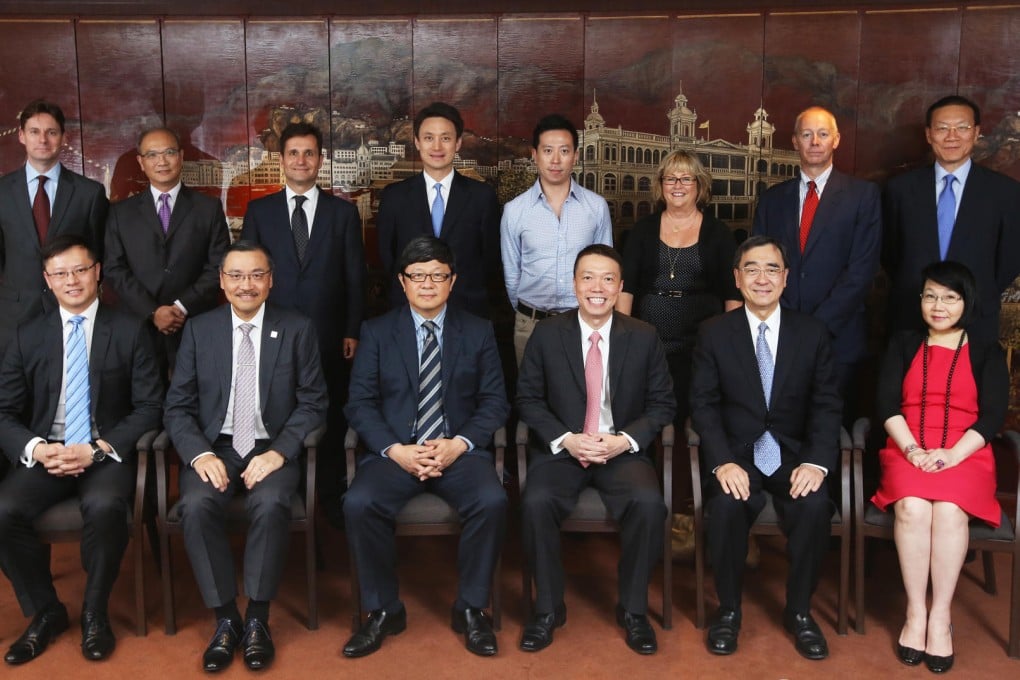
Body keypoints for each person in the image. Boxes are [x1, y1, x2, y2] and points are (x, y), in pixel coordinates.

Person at [163, 241, 327, 673]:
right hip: (215, 446)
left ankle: (257, 617)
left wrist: (278, 452)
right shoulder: (200, 330)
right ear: (221, 282)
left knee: (271, 503)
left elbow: (313, 403)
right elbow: (176, 406)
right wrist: (198, 454)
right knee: (195, 504)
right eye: (235, 276)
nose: (246, 285)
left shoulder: (297, 328)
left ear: (271, 281)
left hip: (269, 446)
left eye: (256, 275)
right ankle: (225, 619)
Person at [342, 236, 509, 659]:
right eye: (419, 276)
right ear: (402, 281)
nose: (428, 284)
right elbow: (359, 404)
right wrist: (394, 450)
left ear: (453, 282)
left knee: (491, 500)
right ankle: (382, 610)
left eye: (438, 275)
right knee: (359, 503)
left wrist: (460, 443)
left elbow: (494, 402)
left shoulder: (478, 330)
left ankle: (471, 609)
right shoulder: (377, 332)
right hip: (398, 452)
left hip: (457, 451)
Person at [0, 235, 162, 665]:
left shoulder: (130, 329)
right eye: (60, 273)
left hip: (102, 451)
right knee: (2, 510)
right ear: (47, 280)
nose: (71, 280)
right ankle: (45, 610)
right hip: (48, 454)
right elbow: (3, 410)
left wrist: (100, 447)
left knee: (107, 506)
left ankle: (94, 611)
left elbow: (151, 406)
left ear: (97, 272)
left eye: (79, 270)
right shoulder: (27, 334)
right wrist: (35, 448)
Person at [516, 244, 674, 655]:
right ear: (574, 284)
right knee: (535, 502)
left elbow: (663, 404)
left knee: (648, 503)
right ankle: (548, 609)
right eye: (588, 277)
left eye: (608, 279)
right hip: (564, 448)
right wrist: (566, 438)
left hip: (620, 449)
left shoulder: (643, 336)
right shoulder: (548, 335)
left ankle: (634, 610)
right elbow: (528, 399)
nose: (597, 287)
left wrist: (623, 440)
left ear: (620, 286)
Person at [690, 235, 842, 660]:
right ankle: (729, 610)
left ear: (786, 278)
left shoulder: (811, 333)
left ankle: (800, 613)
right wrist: (721, 463)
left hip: (794, 457)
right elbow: (702, 404)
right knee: (725, 507)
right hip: (737, 456)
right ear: (737, 278)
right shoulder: (714, 333)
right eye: (752, 269)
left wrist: (816, 462)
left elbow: (828, 405)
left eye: (772, 269)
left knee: (814, 508)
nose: (762, 278)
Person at [871, 260, 1007, 673]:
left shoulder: (986, 349)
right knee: (912, 506)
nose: (938, 305)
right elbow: (886, 405)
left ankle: (940, 618)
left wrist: (951, 454)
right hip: (907, 445)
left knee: (948, 510)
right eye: (930, 295)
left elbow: (992, 416)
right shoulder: (903, 342)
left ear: (967, 302)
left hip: (966, 452)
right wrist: (913, 450)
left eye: (950, 297)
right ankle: (915, 613)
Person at [241, 121, 365, 526]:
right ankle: (283, 484)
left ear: (320, 160)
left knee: (328, 411)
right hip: (272, 333)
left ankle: (327, 493)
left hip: (329, 334)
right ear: (281, 160)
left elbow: (354, 275)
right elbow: (249, 273)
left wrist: (351, 329)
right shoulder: (259, 211)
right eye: (293, 153)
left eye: (309, 153)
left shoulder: (342, 212)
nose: (301, 160)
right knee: (278, 406)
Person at [752, 106, 881, 411]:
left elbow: (862, 269)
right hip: (779, 335)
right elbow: (759, 265)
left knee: (830, 430)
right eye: (807, 134)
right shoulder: (772, 199)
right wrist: (786, 320)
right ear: (795, 141)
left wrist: (816, 327)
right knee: (782, 423)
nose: (815, 141)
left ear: (836, 140)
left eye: (823, 134)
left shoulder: (863, 196)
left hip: (839, 337)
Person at [619, 149, 742, 432]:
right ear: (660, 185)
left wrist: (727, 345)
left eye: (686, 179)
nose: (677, 186)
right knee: (648, 416)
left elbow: (732, 294)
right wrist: (624, 340)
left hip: (700, 347)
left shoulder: (718, 232)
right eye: (670, 179)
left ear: (700, 185)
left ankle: (689, 474)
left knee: (695, 418)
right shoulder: (643, 229)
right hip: (649, 345)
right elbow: (627, 289)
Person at [883, 95, 1020, 346]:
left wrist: (973, 289)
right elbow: (890, 254)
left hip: (976, 317)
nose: (952, 136)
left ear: (977, 133)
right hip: (911, 316)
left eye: (962, 128)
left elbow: (1010, 258)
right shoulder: (900, 190)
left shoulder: (1005, 192)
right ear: (928, 134)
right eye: (942, 128)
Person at [104, 126, 230, 375]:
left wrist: (181, 307)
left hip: (195, 322)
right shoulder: (120, 213)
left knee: (196, 402)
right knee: (146, 403)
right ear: (141, 162)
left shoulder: (208, 208)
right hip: (139, 326)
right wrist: (153, 311)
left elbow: (219, 265)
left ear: (181, 156)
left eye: (169, 152)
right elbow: (114, 268)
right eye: (152, 155)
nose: (161, 161)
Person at [501, 114, 614, 364]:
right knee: (531, 399)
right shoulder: (515, 211)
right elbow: (512, 275)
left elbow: (605, 270)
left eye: (564, 151)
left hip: (583, 323)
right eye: (548, 150)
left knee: (583, 398)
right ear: (535, 154)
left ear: (575, 155)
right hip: (530, 325)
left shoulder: (596, 207)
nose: (555, 160)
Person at [0, 99, 109, 357]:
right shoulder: (2, 191)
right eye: (35, 132)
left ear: (62, 137)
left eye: (51, 132)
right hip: (14, 315)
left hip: (74, 311)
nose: (43, 140)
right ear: (22, 136)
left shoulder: (89, 193)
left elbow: (98, 253)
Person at [376, 102, 501, 318]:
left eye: (445, 138)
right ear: (417, 142)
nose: (437, 147)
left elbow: (490, 260)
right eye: (428, 138)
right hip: (409, 312)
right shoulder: (394, 197)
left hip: (467, 312)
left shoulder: (482, 196)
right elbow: (388, 258)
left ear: (458, 143)